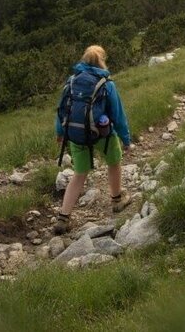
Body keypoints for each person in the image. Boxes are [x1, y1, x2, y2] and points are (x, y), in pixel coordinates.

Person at [53, 45, 132, 234]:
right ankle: (116, 200)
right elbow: (117, 114)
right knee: (114, 162)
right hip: (101, 134)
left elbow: (62, 108)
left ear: (83, 60)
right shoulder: (106, 83)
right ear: (102, 60)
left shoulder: (71, 81)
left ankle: (63, 218)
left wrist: (60, 132)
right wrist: (126, 139)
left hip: (76, 135)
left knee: (79, 174)